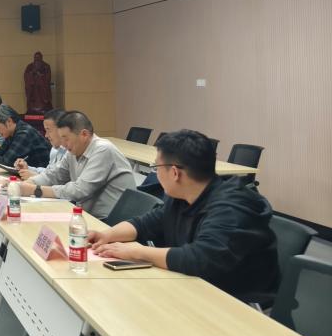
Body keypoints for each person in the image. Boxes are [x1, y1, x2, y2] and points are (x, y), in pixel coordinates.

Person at [90, 130, 279, 304]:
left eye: (156, 167)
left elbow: (199, 259)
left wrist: (137, 252)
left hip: (237, 302)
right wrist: (106, 235)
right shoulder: (182, 196)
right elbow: (146, 223)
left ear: (175, 173)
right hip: (196, 286)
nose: (156, 173)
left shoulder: (231, 208)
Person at [19, 110, 134, 219]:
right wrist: (28, 183)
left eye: (66, 139)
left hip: (111, 221)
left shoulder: (103, 150)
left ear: (84, 134)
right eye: (61, 139)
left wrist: (36, 190)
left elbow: (80, 190)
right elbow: (54, 175)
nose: (63, 144)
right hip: (87, 216)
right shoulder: (72, 151)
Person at [15, 108, 67, 179]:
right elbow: (49, 172)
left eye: (49, 130)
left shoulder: (71, 152)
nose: (46, 135)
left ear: (61, 130)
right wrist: (28, 168)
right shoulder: (54, 150)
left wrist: (36, 176)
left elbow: (63, 180)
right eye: (45, 131)